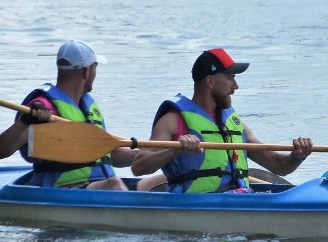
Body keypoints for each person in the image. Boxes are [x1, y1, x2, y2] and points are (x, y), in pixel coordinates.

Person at [130, 48, 314, 193]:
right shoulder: (172, 121)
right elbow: (138, 167)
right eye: (230, 78)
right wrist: (174, 151)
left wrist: (297, 156)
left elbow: (277, 166)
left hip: (239, 198)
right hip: (196, 207)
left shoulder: (234, 123)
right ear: (210, 81)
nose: (236, 86)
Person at [0, 40, 142, 191]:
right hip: (64, 190)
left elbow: (111, 154)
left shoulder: (88, 107)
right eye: (95, 68)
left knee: (159, 183)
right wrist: (24, 122)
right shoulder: (43, 109)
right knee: (114, 184)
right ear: (86, 71)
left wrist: (150, 154)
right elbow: (0, 152)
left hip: (100, 187)